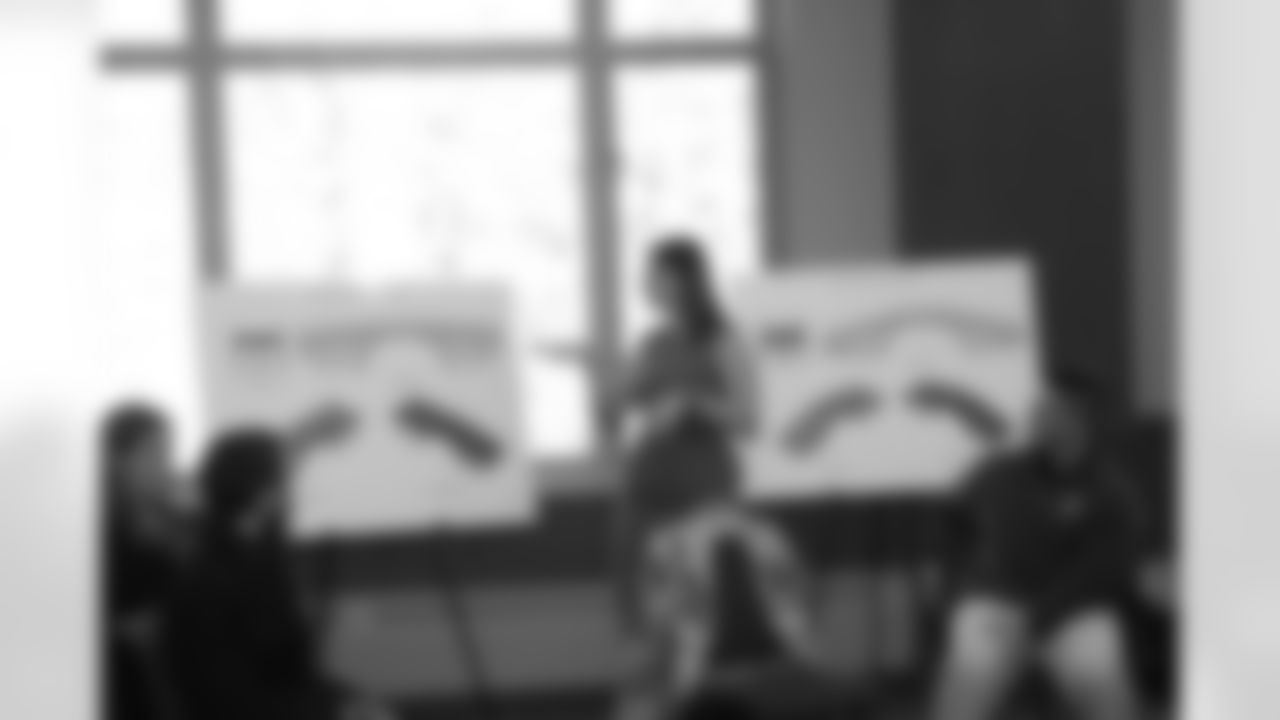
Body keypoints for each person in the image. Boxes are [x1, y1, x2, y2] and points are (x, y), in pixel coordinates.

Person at [929, 372, 1150, 720]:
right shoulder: (997, 474)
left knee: (1109, 696)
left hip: (1075, 612)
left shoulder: (1111, 490)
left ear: (1080, 420)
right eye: (1038, 408)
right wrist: (957, 591)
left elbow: (1104, 571)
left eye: (1050, 410)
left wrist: (1036, 617)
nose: (1036, 417)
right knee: (962, 697)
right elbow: (953, 525)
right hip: (995, 606)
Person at [164, 425, 394, 720]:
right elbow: (229, 698)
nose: (293, 490)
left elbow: (291, 674)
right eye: (285, 479)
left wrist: (348, 700)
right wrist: (333, 711)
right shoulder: (210, 582)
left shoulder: (259, 561)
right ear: (261, 492)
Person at [609, 235, 759, 630]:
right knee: (640, 588)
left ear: (684, 280)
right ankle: (648, 664)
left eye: (655, 275)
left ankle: (693, 667)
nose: (645, 284)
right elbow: (627, 398)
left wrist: (691, 405)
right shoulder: (652, 341)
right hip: (647, 482)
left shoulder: (723, 339)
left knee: (698, 594)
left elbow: (748, 418)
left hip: (701, 484)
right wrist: (608, 385)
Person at [102, 402, 188, 720]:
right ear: (115, 460)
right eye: (153, 452)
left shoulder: (171, 518)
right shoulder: (99, 533)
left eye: (167, 452)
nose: (165, 465)